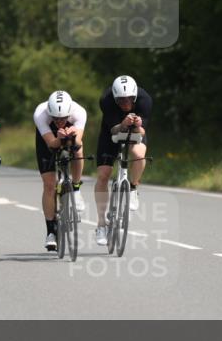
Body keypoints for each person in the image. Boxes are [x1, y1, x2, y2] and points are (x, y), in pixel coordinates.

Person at [93, 75, 152, 246]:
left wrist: (139, 124)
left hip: (135, 131)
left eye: (129, 100)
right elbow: (114, 130)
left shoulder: (144, 100)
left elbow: (141, 132)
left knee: (138, 154)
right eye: (121, 101)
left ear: (135, 97)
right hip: (111, 131)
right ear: (115, 98)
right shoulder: (107, 100)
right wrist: (123, 123)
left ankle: (133, 187)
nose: (125, 103)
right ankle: (101, 224)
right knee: (103, 175)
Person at [34, 90, 87, 251]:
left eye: (63, 118)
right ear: (50, 113)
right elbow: (51, 144)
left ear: (69, 114)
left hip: (71, 136)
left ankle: (76, 188)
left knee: (78, 151)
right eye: (55, 118)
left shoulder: (79, 112)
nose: (59, 121)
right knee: (49, 185)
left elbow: (78, 142)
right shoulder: (41, 114)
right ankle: (51, 231)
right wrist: (58, 138)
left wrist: (72, 137)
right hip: (49, 140)